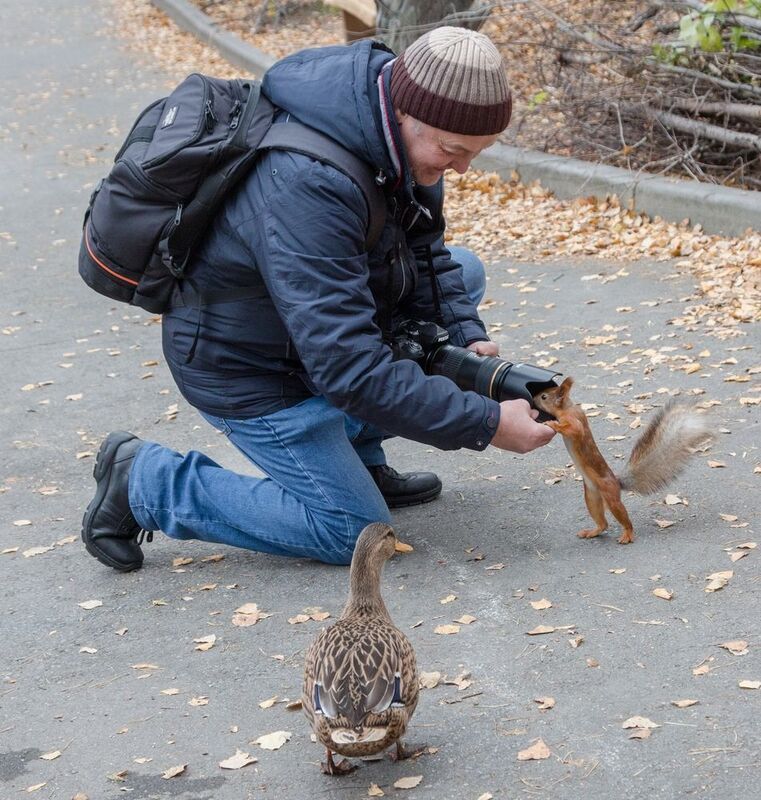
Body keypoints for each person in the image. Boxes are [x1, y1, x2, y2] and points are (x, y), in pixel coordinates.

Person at [81, 26, 555, 572]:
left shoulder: (394, 139)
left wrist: (465, 335)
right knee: (353, 534)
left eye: (474, 154)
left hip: (302, 340)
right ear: (406, 113)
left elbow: (425, 249)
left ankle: (356, 456)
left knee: (464, 276)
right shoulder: (308, 183)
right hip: (248, 370)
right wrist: (487, 424)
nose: (462, 168)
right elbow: (349, 367)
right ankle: (146, 482)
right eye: (453, 151)